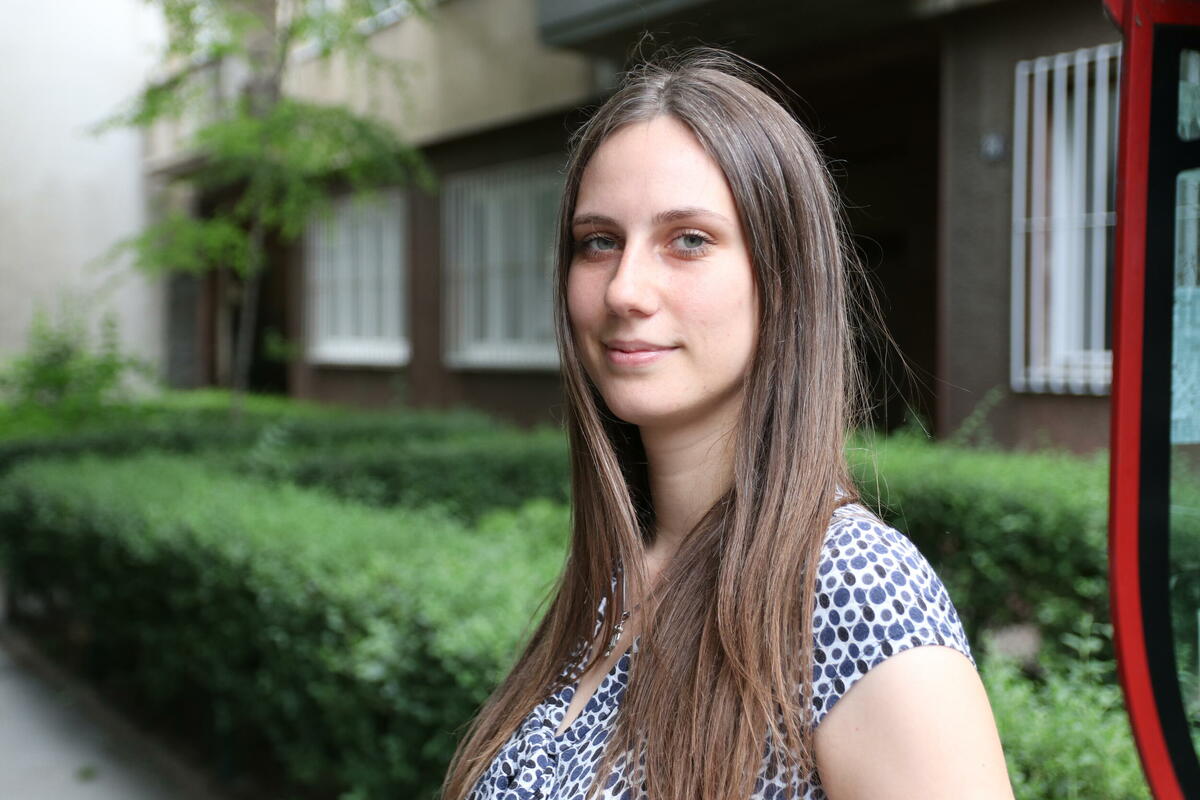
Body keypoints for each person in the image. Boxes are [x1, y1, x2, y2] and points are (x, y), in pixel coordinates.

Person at [441, 48, 1014, 800]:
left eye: (688, 239)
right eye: (599, 241)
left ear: (783, 278)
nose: (624, 290)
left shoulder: (853, 592)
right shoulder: (621, 573)